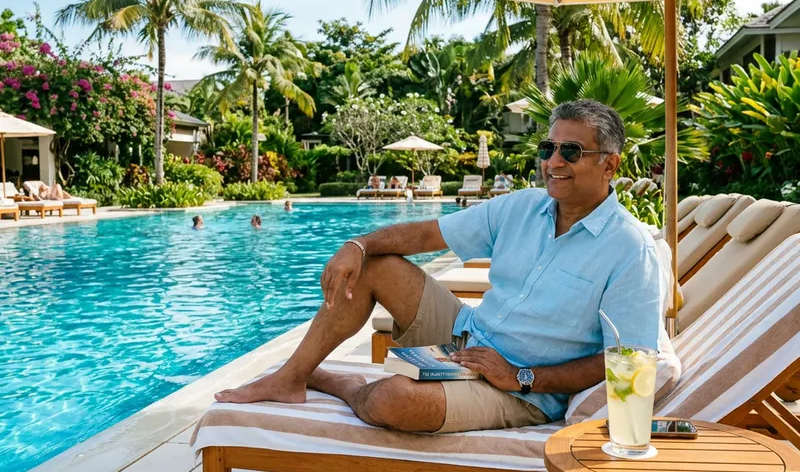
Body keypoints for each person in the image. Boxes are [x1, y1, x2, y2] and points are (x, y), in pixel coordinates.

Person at [215, 100, 664, 436]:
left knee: (395, 400)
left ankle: (338, 382)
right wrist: (357, 244)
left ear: (610, 164)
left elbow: (630, 360)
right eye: (548, 148)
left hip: (518, 388)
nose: (553, 162)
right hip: (467, 333)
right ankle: (290, 379)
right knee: (375, 265)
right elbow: (427, 235)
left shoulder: (629, 250)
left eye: (570, 150)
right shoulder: (523, 208)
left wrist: (521, 377)